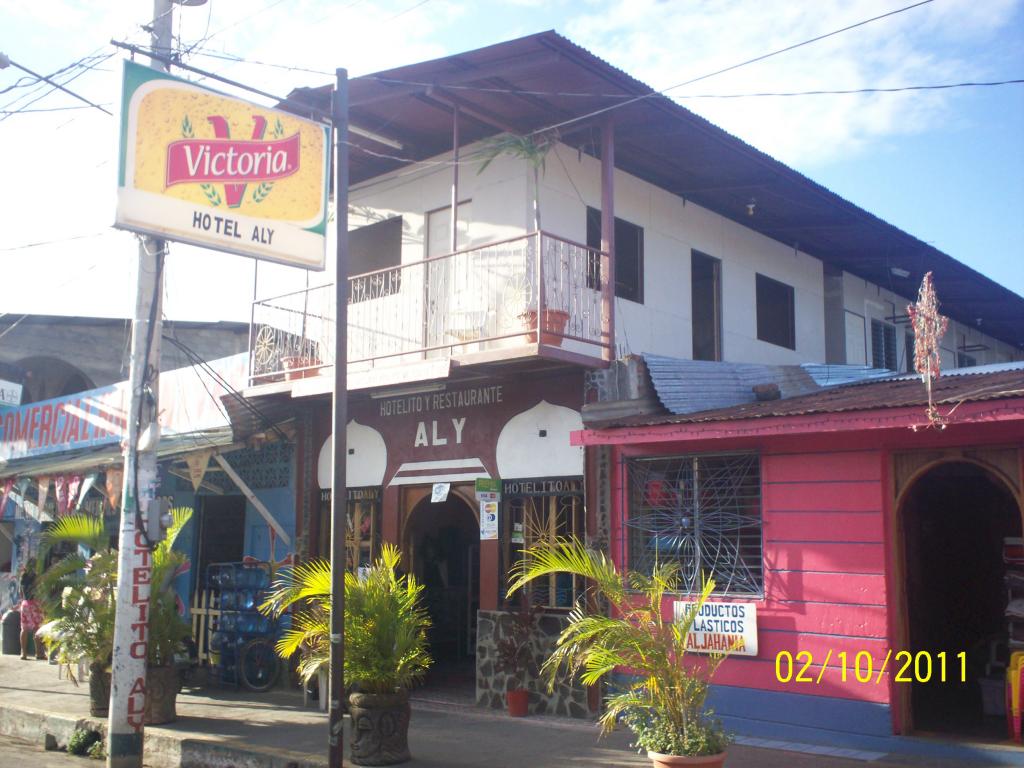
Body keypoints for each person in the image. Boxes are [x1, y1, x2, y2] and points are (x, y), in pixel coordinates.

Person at [18, 560, 45, 660]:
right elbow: (40, 591)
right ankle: (38, 653)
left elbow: (20, 593)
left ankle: (23, 653)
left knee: (24, 629)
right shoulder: (36, 577)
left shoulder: (22, 577)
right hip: (35, 603)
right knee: (37, 629)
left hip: (25, 604)